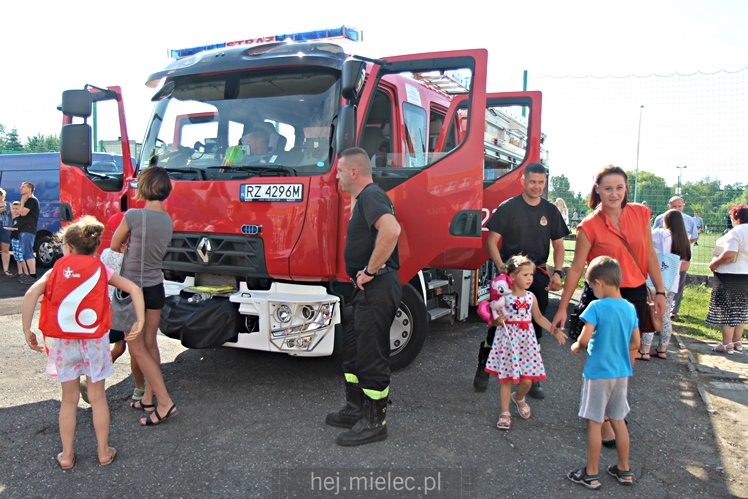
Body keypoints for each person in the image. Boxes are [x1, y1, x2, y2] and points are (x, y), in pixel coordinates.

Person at [551, 165, 667, 448]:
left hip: (635, 294)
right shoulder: (589, 226)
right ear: (597, 190)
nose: (614, 193)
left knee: (629, 353)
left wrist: (661, 290)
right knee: (599, 354)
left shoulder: (640, 213)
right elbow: (577, 268)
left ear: (626, 188)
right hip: (601, 297)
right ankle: (602, 417)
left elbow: (650, 253)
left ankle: (616, 405)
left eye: (619, 187)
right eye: (608, 188)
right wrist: (564, 306)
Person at [21, 215, 145, 470]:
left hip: (64, 341)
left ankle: (67, 455)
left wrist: (27, 330)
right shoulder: (102, 269)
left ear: (68, 248)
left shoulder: (57, 269)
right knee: (98, 398)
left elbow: (32, 292)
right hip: (94, 340)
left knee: (68, 400)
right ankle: (103, 451)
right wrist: (139, 321)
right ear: (95, 247)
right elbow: (134, 289)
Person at [473, 162, 569, 399]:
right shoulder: (509, 208)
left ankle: (531, 377)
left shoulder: (550, 211)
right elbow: (491, 242)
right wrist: (502, 269)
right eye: (532, 182)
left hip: (537, 277)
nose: (537, 187)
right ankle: (483, 368)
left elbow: (559, 245)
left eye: (541, 182)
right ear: (523, 181)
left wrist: (557, 272)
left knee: (534, 328)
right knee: (498, 326)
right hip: (510, 277)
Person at [326, 147, 401, 446]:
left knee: (371, 357)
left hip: (377, 286)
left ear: (354, 172)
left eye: (340, 170)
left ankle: (374, 422)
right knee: (354, 352)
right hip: (366, 289)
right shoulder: (364, 199)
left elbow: (391, 231)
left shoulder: (371, 196)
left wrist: (370, 270)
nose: (337, 175)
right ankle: (355, 409)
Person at [111, 166, 180, 426]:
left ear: (145, 187)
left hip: (132, 290)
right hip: (155, 287)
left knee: (137, 347)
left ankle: (164, 401)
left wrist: (128, 246)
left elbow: (113, 245)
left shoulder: (134, 215)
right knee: (150, 343)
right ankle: (149, 398)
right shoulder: (167, 220)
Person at [568, 256, 639, 490]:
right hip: (621, 374)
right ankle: (624, 469)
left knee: (595, 423)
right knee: (619, 421)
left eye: (591, 287)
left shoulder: (596, 307)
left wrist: (577, 346)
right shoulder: (629, 308)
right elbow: (635, 341)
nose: (592, 291)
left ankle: (591, 473)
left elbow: (584, 337)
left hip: (598, 373)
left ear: (599, 283)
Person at [484, 255, 567, 431]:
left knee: (527, 380)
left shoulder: (531, 297)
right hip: (507, 342)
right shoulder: (504, 297)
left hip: (527, 343)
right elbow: (496, 319)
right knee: (506, 379)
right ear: (512, 276)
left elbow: (538, 317)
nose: (530, 278)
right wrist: (497, 320)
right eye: (525, 274)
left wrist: (554, 331)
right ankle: (504, 412)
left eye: (531, 274)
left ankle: (519, 398)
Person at [640, 210, 691, 360]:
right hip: (671, 282)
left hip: (655, 281)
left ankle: (644, 349)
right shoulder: (683, 240)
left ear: (666, 221)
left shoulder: (660, 235)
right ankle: (662, 348)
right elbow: (685, 266)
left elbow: (645, 243)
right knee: (665, 314)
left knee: (651, 312)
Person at [707, 204, 748, 354]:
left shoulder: (735, 232)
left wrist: (714, 264)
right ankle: (737, 341)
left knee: (727, 309)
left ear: (736, 217)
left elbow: (730, 254)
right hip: (745, 274)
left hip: (729, 275)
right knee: (740, 309)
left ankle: (726, 343)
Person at [652, 196, 698, 320]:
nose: (677, 209)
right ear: (669, 206)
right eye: (674, 206)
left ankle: (674, 309)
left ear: (683, 206)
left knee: (677, 283)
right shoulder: (660, 218)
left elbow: (693, 237)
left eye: (679, 206)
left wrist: (681, 244)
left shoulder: (689, 220)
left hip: (679, 257)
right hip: (661, 259)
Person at [17, 181, 40, 283]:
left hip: (28, 229)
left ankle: (33, 275)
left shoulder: (32, 200)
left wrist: (22, 202)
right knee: (25, 252)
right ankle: (29, 275)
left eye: (23, 187)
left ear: (29, 189)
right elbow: (19, 213)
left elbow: (22, 213)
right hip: (23, 229)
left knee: (28, 252)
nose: (20, 188)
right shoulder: (28, 201)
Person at [8, 201, 31, 279]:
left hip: (20, 239)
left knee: (21, 257)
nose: (15, 210)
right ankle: (20, 272)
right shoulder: (15, 218)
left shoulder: (23, 218)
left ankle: (26, 273)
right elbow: (12, 212)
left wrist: (11, 229)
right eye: (14, 209)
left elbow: (20, 228)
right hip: (14, 238)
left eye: (17, 208)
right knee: (17, 257)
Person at [0, 188, 12, 277]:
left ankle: (6, 270)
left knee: (5, 249)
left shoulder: (8, 205)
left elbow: (14, 215)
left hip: (6, 228)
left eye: (1, 194)